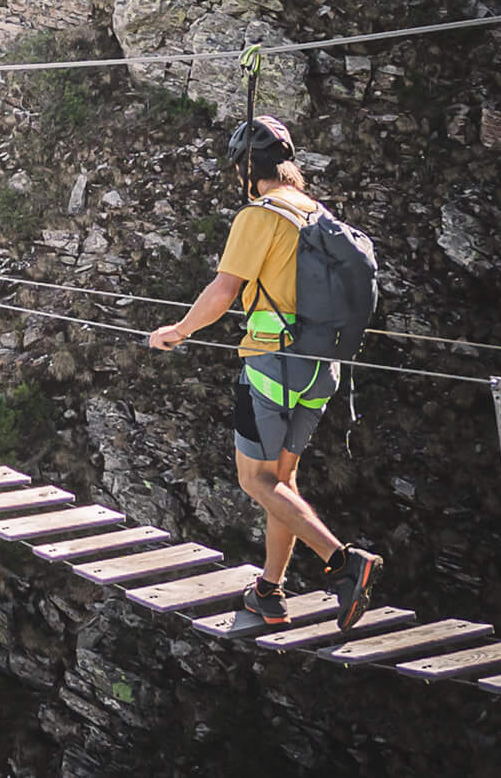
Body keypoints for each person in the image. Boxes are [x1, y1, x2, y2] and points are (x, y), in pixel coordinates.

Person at [146, 115, 381, 628]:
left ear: (245, 170)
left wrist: (178, 331)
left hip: (274, 365)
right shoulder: (314, 213)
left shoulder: (259, 215)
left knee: (255, 479)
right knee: (283, 480)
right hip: (323, 369)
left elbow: (223, 292)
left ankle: (343, 562)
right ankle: (269, 591)